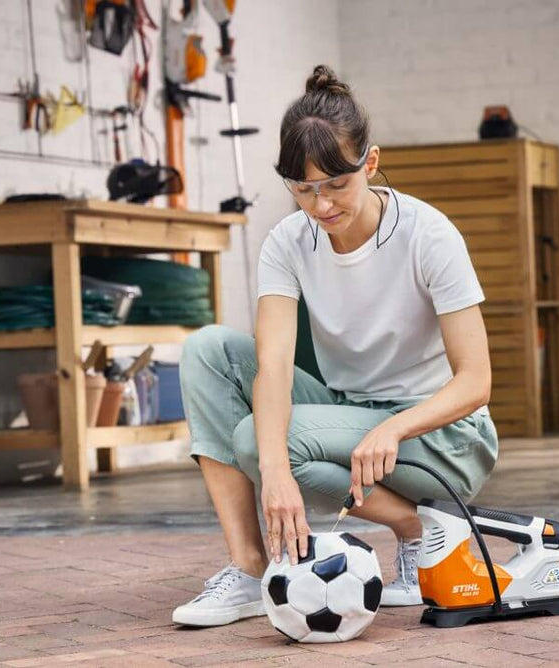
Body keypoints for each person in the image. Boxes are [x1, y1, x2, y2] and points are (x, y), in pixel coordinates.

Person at [172, 65, 498, 627]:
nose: (321, 206)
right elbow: (271, 364)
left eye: (337, 185)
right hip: (348, 411)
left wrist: (392, 428)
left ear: (369, 164)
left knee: (260, 439)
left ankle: (417, 527)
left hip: (442, 439)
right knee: (208, 351)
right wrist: (272, 474)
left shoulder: (429, 234)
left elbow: (475, 381)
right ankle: (251, 568)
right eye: (304, 189)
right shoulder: (288, 241)